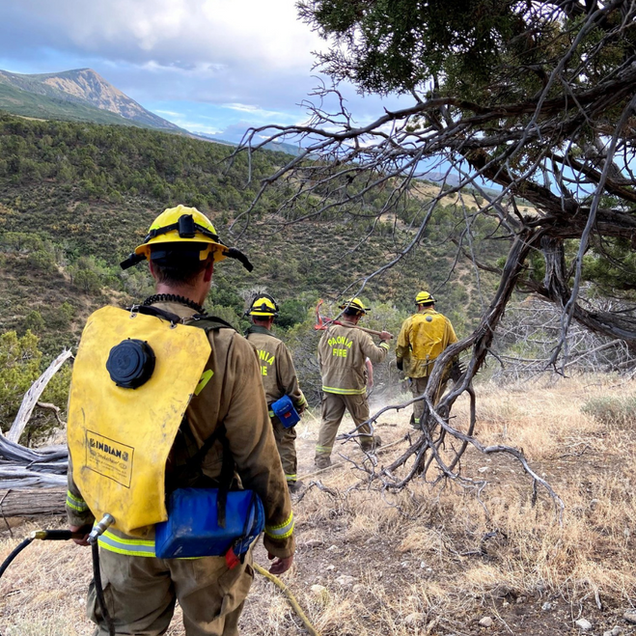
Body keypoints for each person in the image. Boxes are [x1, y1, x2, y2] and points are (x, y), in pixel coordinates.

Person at [65, 205, 295, 636]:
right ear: (209, 269)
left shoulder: (110, 337)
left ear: (151, 265)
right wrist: (280, 535)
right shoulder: (228, 349)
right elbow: (258, 456)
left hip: (123, 531)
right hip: (205, 536)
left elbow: (85, 431)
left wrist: (79, 513)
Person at [315, 297, 392, 468]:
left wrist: (327, 374)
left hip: (330, 385)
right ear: (358, 316)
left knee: (329, 421)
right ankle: (368, 445)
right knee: (362, 418)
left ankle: (321, 459)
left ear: (344, 313)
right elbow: (378, 356)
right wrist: (385, 342)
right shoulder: (360, 335)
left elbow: (320, 356)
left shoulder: (328, 332)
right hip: (352, 387)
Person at [244, 293, 308, 493]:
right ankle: (289, 485)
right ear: (271, 319)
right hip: (275, 411)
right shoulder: (277, 346)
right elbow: (290, 382)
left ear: (252, 318)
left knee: (252, 449)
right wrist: (299, 403)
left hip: (247, 411)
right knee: (285, 442)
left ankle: (253, 486)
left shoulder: (241, 343)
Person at [396, 291, 458, 430]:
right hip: (441, 367)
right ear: (432, 305)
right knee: (436, 395)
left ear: (419, 306)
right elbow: (454, 344)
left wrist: (400, 362)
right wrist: (454, 364)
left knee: (419, 396)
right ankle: (433, 421)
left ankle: (420, 424)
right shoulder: (445, 320)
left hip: (419, 368)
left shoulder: (410, 321)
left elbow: (401, 346)